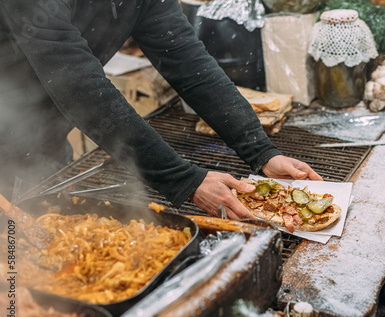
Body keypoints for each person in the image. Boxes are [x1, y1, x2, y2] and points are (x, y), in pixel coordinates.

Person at [0, 0, 322, 220]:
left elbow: (186, 58)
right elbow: (77, 83)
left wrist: (261, 151)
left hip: (43, 138)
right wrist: (186, 181)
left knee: (43, 243)